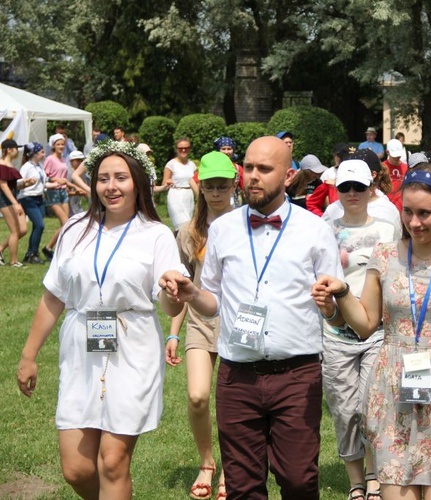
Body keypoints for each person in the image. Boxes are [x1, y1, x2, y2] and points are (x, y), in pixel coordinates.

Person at [159, 136, 343, 498]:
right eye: (249, 167)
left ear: (289, 175)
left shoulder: (315, 230)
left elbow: (336, 310)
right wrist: (193, 293)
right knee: (243, 486)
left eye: (265, 169)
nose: (253, 177)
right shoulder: (223, 230)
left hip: (297, 374)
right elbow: (212, 302)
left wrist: (330, 307)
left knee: (298, 479)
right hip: (237, 375)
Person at [16, 141, 186, 499]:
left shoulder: (155, 235)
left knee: (113, 461)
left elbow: (171, 306)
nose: (111, 186)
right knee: (76, 469)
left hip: (133, 346)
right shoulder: (75, 228)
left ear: (137, 182)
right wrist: (29, 356)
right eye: (103, 178)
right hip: (81, 347)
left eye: (121, 178)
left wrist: (172, 295)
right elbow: (53, 295)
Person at [311, 164, 431, 499]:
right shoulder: (385, 255)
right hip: (394, 381)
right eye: (407, 211)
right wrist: (342, 292)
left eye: (425, 213)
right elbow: (365, 324)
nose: (414, 222)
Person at [321, 159, 399, 500]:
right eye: (344, 187)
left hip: (377, 331)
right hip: (336, 332)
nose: (351, 194)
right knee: (344, 410)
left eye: (358, 187)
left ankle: (373, 477)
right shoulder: (325, 226)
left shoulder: (388, 226)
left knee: (373, 405)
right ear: (336, 190)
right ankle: (355, 481)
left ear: (371, 188)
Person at [165, 151, 237, 500]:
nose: (217, 193)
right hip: (200, 323)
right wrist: (173, 333)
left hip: (240, 325)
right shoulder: (188, 233)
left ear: (234, 186)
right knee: (197, 397)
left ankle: (231, 470)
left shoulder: (245, 226)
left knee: (233, 403)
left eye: (223, 186)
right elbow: (181, 287)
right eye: (210, 186)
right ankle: (207, 462)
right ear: (200, 187)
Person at [0, 139, 33, 267]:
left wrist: (26, 183)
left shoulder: (10, 165)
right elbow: (3, 185)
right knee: (15, 230)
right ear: (9, 149)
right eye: (15, 148)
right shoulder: (1, 164)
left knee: (23, 229)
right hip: (4, 199)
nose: (18, 151)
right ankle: (14, 261)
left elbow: (13, 186)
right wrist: (15, 203)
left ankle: (1, 248)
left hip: (11, 198)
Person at [41, 133, 73, 260]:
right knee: (65, 223)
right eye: (58, 144)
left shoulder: (63, 159)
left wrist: (70, 184)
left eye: (62, 144)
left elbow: (63, 178)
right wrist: (56, 179)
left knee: (67, 223)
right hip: (53, 192)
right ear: (53, 146)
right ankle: (49, 247)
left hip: (63, 192)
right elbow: (44, 175)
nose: (61, 146)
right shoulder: (50, 159)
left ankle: (58, 250)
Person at [17, 142, 50, 264]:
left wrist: (55, 185)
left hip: (39, 198)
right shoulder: (26, 167)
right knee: (40, 225)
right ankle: (32, 252)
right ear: (34, 154)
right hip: (28, 198)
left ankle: (31, 253)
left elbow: (43, 182)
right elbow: (18, 184)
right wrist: (27, 182)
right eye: (41, 152)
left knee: (38, 227)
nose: (44, 154)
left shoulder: (39, 166)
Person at [161, 138, 198, 232]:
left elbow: (195, 182)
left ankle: (178, 244)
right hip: (176, 195)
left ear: (189, 149)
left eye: (186, 148)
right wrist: (168, 182)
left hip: (188, 196)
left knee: (188, 223)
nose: (183, 150)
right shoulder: (171, 164)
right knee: (182, 225)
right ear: (176, 149)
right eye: (180, 148)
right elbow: (164, 184)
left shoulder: (192, 165)